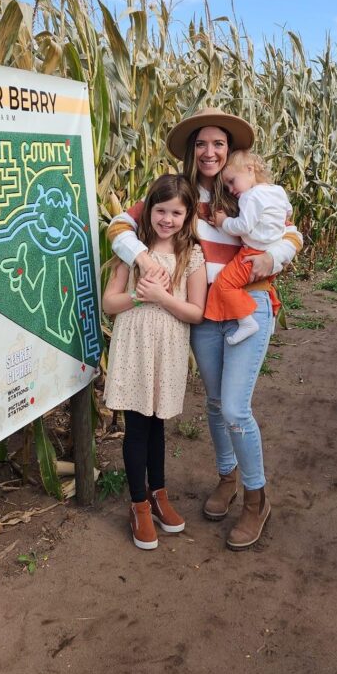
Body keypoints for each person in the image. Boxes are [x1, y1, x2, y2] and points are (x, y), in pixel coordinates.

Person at [108, 109, 303, 550]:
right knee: (215, 405)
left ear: (230, 151)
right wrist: (143, 259)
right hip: (203, 309)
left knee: (234, 407)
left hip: (247, 303)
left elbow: (291, 235)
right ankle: (227, 478)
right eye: (201, 144)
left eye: (218, 144)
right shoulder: (179, 196)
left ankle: (256, 499)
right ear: (191, 151)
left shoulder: (243, 192)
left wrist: (271, 258)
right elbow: (120, 224)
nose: (209, 152)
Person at [102, 173, 207, 551]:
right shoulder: (133, 251)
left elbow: (196, 312)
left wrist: (162, 298)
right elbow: (109, 303)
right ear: (148, 210)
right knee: (136, 426)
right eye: (161, 210)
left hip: (167, 348)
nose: (167, 219)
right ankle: (139, 504)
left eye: (176, 213)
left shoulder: (192, 255)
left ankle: (158, 493)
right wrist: (138, 297)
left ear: (187, 215)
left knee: (157, 424)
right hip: (135, 347)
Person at [206, 149, 292, 345]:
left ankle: (246, 321)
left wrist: (223, 221)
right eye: (227, 185)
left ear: (250, 169)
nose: (230, 189)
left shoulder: (249, 197)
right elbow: (288, 212)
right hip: (272, 251)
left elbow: (243, 226)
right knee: (268, 285)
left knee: (224, 284)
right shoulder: (277, 190)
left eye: (231, 181)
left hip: (253, 254)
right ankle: (271, 316)